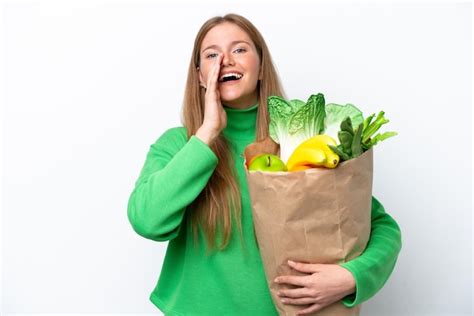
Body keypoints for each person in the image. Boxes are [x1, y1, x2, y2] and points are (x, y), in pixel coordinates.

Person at [127, 13, 402, 315]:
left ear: (260, 68)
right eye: (212, 54)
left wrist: (352, 277)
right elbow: (147, 220)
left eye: (240, 49)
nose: (226, 60)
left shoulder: (300, 145)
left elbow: (379, 225)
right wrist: (206, 133)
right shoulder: (179, 145)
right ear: (200, 76)